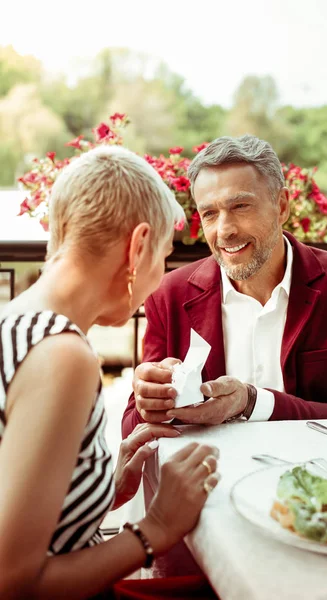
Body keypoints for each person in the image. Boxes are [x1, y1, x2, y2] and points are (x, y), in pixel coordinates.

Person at [0, 146, 220, 600]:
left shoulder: (16, 321)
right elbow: (13, 581)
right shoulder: (62, 356)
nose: (160, 276)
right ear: (137, 247)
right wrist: (154, 528)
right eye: (163, 255)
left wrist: (102, 485)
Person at [122, 134, 327, 435]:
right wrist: (150, 401)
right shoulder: (168, 294)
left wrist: (251, 401)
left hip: (313, 469)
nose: (224, 230)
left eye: (241, 206)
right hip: (209, 475)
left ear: (281, 206)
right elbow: (130, 428)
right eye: (210, 214)